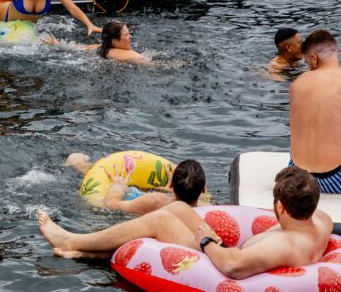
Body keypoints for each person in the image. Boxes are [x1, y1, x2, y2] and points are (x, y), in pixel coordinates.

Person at [39, 166, 332, 278]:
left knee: (163, 217)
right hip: (227, 251)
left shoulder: (283, 245)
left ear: (280, 207)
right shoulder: (321, 220)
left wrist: (207, 242)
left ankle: (73, 240)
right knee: (179, 208)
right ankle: (87, 252)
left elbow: (233, 267)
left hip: (219, 266)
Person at [290, 29, 341, 193]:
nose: (308, 67)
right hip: (334, 180)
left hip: (296, 177)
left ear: (313, 58)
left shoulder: (297, 83)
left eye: (306, 63)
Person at [66, 157, 206, 216]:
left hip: (128, 208)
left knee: (76, 160)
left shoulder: (156, 201)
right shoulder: (205, 208)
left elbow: (111, 204)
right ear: (203, 189)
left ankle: (81, 166)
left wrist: (118, 186)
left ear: (171, 184)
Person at [85, 21, 151, 64]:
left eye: (129, 34)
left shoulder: (97, 47)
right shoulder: (135, 56)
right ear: (114, 41)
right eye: (127, 35)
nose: (130, 36)